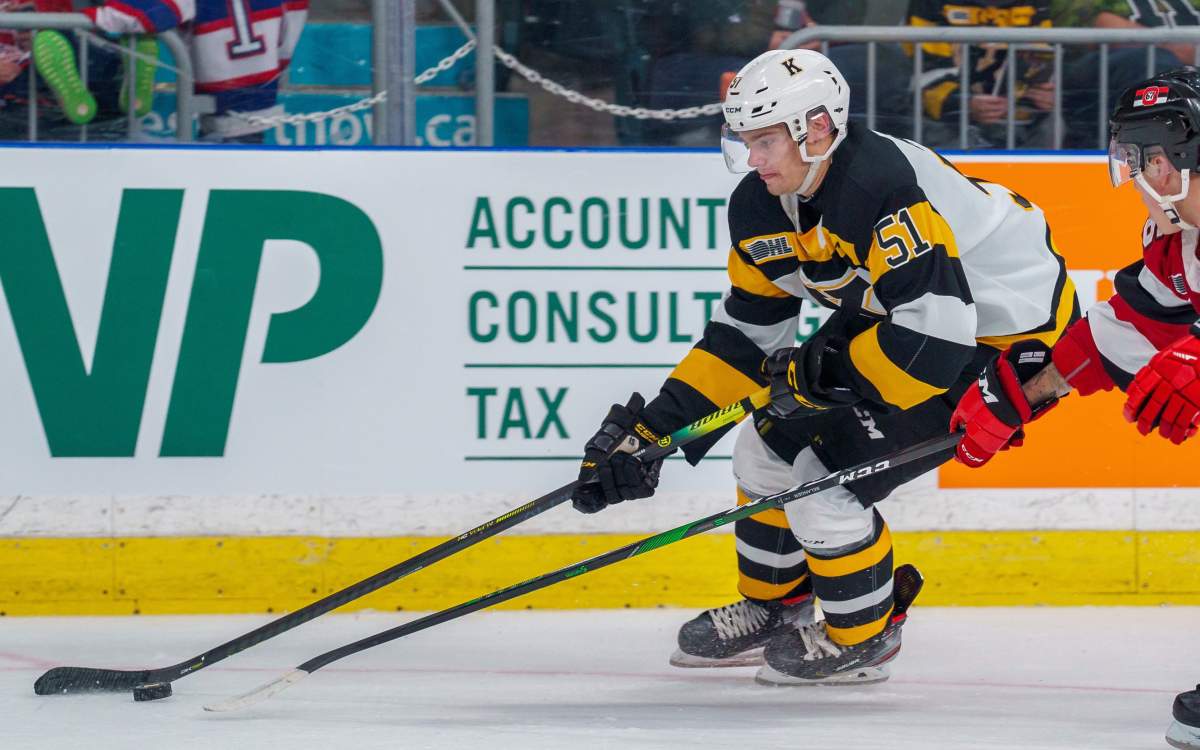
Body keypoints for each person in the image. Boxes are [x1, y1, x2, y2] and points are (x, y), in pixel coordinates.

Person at [572, 48, 1078, 685]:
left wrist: (830, 372)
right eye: (744, 141)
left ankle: (864, 637)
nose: (751, 159)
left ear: (815, 129)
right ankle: (776, 606)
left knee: (825, 482)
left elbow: (935, 345)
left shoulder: (878, 188)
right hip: (907, 318)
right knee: (762, 447)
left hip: (1002, 338)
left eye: (763, 140)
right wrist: (655, 433)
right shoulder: (762, 205)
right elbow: (746, 338)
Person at [944, 67, 1200, 749]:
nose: (1136, 176)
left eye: (1143, 159)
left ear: (1178, 155)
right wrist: (1017, 396)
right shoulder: (1181, 250)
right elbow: (1118, 333)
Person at [81, 0, 308, 142]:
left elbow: (145, 15)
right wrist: (270, 76)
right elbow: (288, 38)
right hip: (260, 102)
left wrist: (89, 18)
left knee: (216, 180)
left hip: (219, 109)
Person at [906, 0, 1059, 148]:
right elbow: (924, 76)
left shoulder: (1036, 3)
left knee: (1053, 125)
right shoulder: (931, 3)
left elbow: (1043, 59)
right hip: (947, 117)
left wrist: (1046, 94)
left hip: (1016, 114)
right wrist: (965, 104)